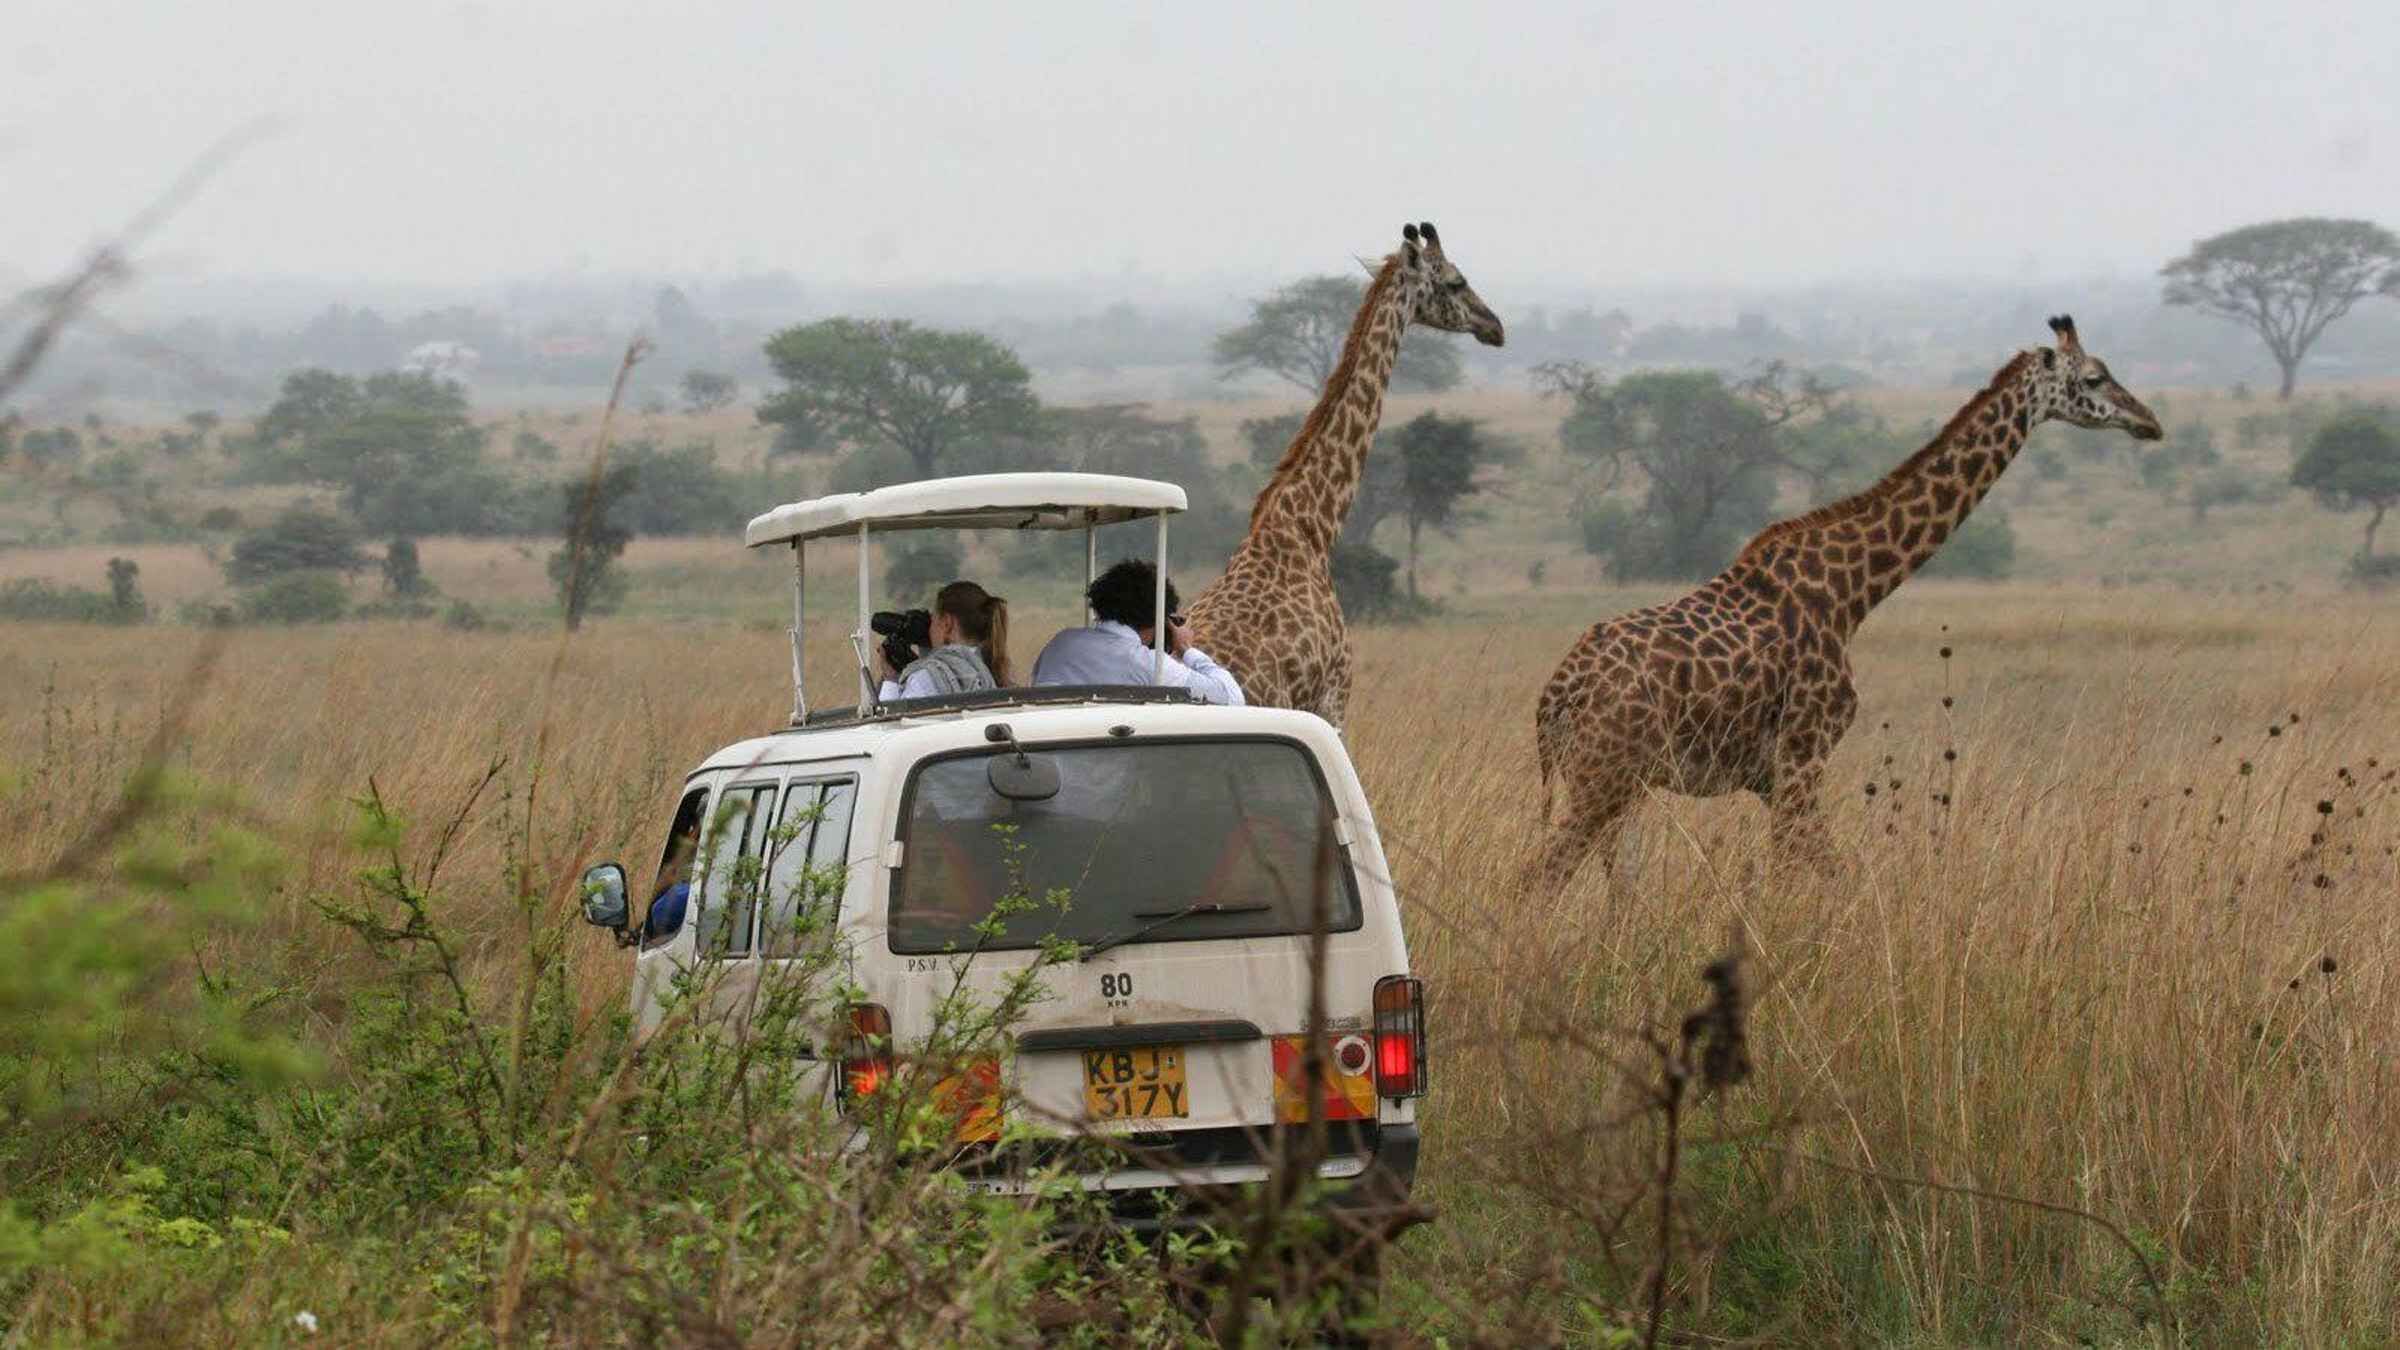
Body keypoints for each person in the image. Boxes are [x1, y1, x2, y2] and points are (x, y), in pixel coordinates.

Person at [1031, 559, 1244, 706]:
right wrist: (1187, 649)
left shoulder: (1061, 642)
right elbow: (1230, 697)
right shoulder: (1149, 664)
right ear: (1160, 619)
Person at [878, 580, 1011, 702]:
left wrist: (891, 680)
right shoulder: (995, 672)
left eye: (933, 621)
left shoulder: (926, 678)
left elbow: (891, 724)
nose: (929, 630)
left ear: (947, 624)